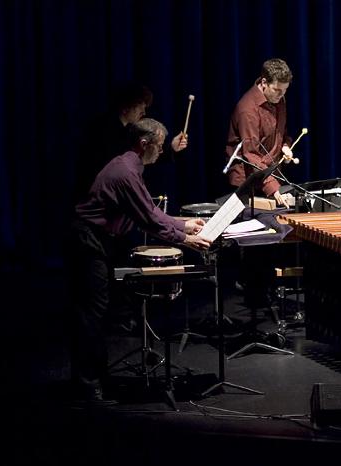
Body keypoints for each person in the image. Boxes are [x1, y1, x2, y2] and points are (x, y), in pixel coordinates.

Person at [67, 118, 211, 403]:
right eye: (158, 146)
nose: (161, 151)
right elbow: (147, 219)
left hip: (98, 240)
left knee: (99, 311)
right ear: (144, 144)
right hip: (87, 241)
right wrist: (186, 240)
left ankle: (96, 378)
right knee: (91, 315)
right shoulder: (125, 173)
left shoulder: (132, 166)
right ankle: (87, 384)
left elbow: (151, 212)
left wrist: (184, 224)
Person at [73, 82, 189, 205]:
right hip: (99, 203)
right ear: (126, 106)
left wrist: (172, 148)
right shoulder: (102, 132)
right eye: (140, 106)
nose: (144, 112)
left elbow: (145, 155)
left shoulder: (128, 130)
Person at [224, 58, 295, 207]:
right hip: (248, 183)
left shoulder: (279, 100)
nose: (281, 95)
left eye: (285, 90)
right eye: (277, 90)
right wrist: (273, 188)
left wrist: (285, 146)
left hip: (270, 176)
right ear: (264, 83)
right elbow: (251, 154)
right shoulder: (247, 110)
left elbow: (281, 132)